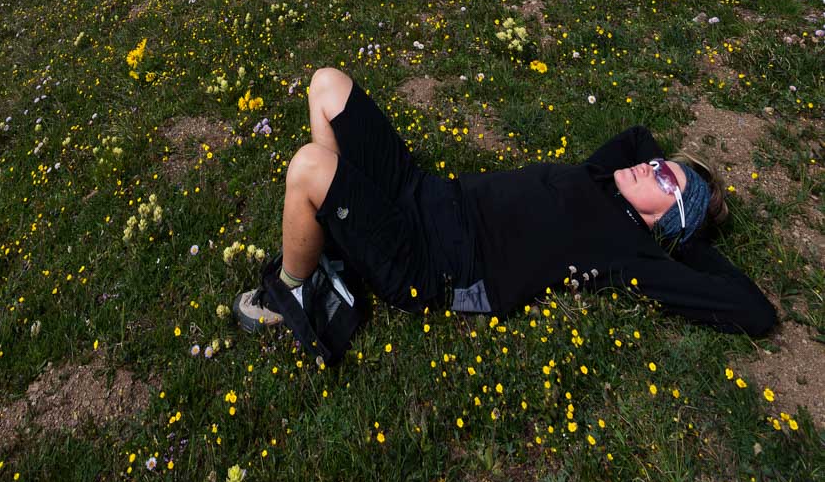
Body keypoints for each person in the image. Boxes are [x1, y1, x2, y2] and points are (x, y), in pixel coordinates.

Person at [233, 67, 777, 338]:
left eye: (665, 182)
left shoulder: (626, 251)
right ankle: (338, 244)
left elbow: (754, 311)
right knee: (327, 84)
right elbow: (638, 135)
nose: (650, 165)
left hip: (430, 263)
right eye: (664, 164)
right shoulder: (602, 177)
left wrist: (688, 238)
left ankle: (297, 291)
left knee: (308, 167)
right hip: (423, 193)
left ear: (666, 222)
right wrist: (675, 180)